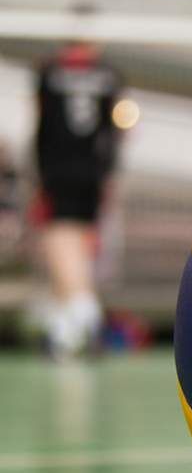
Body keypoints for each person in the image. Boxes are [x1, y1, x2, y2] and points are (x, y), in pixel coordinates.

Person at [33, 40, 124, 359]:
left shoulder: (50, 71)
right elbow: (112, 134)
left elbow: (42, 127)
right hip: (92, 175)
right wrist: (108, 175)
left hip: (58, 173)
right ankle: (67, 328)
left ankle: (85, 313)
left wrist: (40, 177)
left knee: (60, 242)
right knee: (76, 246)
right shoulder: (108, 74)